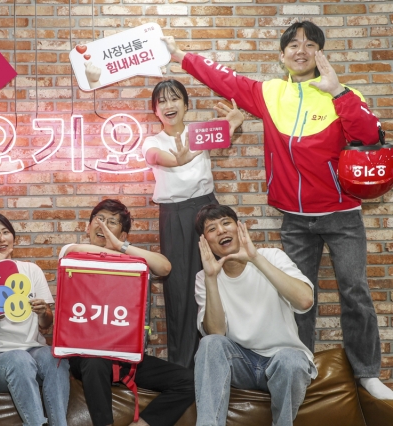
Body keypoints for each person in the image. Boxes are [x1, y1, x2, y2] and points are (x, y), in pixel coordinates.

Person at [162, 21, 393, 399]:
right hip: (295, 219)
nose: (301, 51)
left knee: (355, 293)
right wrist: (178, 55)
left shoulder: (344, 93)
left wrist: (337, 92)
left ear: (320, 53)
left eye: (310, 44)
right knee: (298, 300)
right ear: (282, 55)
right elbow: (226, 79)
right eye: (293, 45)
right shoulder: (270, 93)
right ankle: (301, 367)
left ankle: (367, 373)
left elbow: (369, 136)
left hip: (342, 215)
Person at [60, 199, 195, 426]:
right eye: (99, 219)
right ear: (88, 226)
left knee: (188, 380)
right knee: (94, 360)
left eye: (112, 222)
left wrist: (121, 247)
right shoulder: (72, 252)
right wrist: (113, 249)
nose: (103, 225)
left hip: (125, 355)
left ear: (123, 235)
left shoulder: (130, 259)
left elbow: (164, 267)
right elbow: (75, 250)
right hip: (87, 355)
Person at [142, 79, 244, 368]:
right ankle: (183, 368)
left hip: (207, 208)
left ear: (186, 105)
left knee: (220, 280)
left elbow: (227, 129)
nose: (169, 105)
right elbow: (156, 157)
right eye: (162, 101)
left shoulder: (200, 132)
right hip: (174, 214)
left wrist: (234, 121)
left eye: (175, 98)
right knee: (180, 289)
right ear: (155, 110)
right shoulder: (152, 141)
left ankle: (224, 360)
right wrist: (179, 159)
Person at [194, 204, 316, 426]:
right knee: (210, 343)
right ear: (205, 242)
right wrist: (211, 278)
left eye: (226, 223)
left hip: (282, 360)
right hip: (240, 363)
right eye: (212, 229)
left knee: (290, 360)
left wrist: (255, 258)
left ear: (239, 227)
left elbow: (305, 300)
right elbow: (216, 333)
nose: (221, 231)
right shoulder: (204, 278)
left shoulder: (272, 256)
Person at [0, 212, 70, 426]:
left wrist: (43, 313)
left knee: (55, 357)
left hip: (33, 350)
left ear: (13, 237)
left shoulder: (31, 270)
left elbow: (46, 325)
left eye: (5, 232)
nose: (0, 239)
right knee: (19, 359)